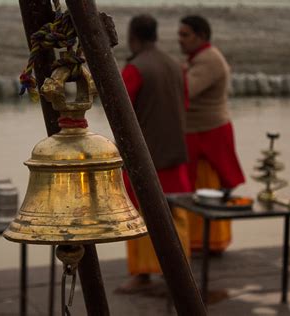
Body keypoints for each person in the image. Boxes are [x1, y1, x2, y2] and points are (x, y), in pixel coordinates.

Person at [116, 14, 192, 293]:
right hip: (175, 150)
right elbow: (185, 102)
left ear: (133, 36)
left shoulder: (135, 69)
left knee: (141, 213)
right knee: (175, 212)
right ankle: (178, 272)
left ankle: (144, 274)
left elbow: (119, 112)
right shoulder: (175, 64)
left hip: (145, 156)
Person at [178, 15, 245, 253]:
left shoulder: (208, 60)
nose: (180, 40)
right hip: (200, 131)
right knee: (198, 187)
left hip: (208, 134)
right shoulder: (199, 58)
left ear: (201, 36)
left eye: (185, 35)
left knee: (206, 187)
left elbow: (186, 91)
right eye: (180, 34)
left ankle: (208, 242)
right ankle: (203, 241)